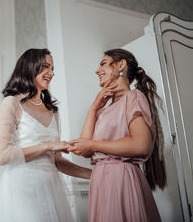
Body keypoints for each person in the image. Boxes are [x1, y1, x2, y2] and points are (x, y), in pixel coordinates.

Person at [0, 48, 91, 222]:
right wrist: (48, 146)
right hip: (22, 189)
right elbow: (3, 156)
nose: (51, 73)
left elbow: (58, 161)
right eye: (46, 66)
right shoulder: (11, 104)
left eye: (53, 68)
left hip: (52, 189)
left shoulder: (53, 111)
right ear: (30, 66)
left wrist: (95, 174)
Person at [68, 48, 167, 222]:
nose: (97, 70)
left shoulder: (133, 97)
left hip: (122, 180)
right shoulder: (102, 110)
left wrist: (93, 145)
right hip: (101, 183)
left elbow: (140, 144)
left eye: (103, 64)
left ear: (121, 65)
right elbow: (83, 148)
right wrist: (93, 108)